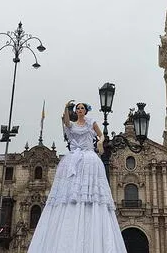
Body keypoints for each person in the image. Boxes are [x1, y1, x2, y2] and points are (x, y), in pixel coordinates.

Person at [27, 101, 127, 253]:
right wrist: (65, 108)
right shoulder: (72, 125)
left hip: (89, 160)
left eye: (82, 108)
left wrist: (100, 144)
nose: (80, 110)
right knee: (69, 194)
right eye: (77, 108)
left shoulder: (91, 122)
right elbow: (66, 122)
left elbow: (101, 136)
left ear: (86, 111)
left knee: (91, 193)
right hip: (73, 159)